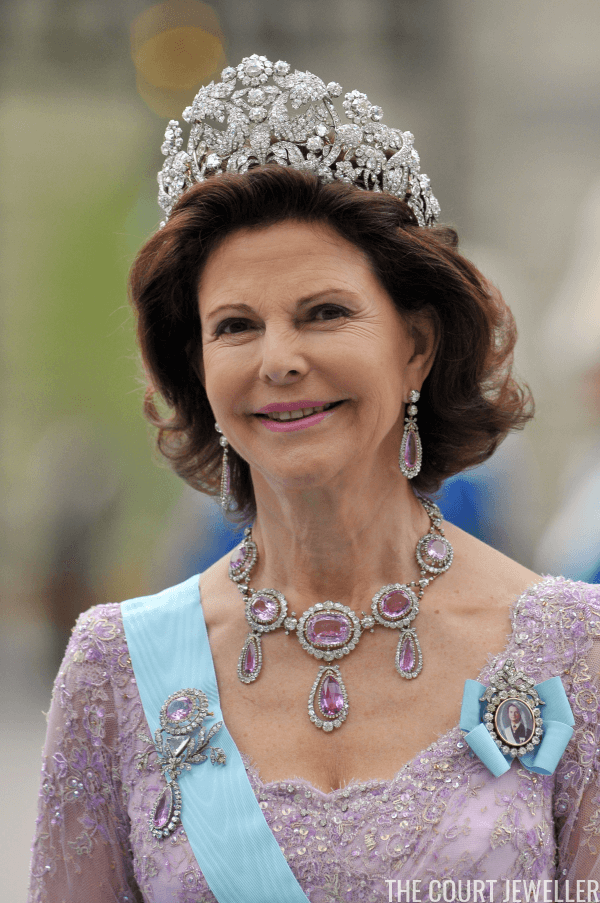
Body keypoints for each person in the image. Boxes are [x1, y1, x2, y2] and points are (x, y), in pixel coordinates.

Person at [28, 55, 600, 903]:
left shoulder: (575, 648)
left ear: (416, 346)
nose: (280, 360)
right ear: (198, 369)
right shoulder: (117, 670)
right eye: (235, 325)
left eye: (324, 312)